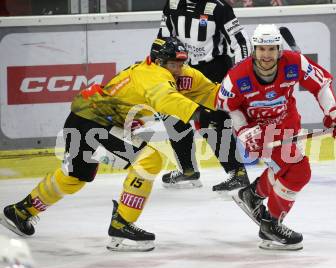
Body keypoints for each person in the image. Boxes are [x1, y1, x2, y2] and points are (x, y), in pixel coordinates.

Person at [0, 37, 220, 252]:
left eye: (182, 63)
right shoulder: (151, 74)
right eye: (173, 64)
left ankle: (19, 212)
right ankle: (121, 226)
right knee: (149, 159)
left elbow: (210, 91)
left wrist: (234, 100)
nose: (179, 69)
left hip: (88, 121)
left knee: (75, 177)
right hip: (91, 124)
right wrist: (201, 113)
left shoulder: (176, 73)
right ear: (158, 61)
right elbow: (167, 99)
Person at [217, 24, 336, 250]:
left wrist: (334, 114)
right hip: (259, 131)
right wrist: (243, 131)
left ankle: (252, 195)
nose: (266, 55)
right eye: (261, 49)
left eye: (271, 49)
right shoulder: (236, 77)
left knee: (284, 168)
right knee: (299, 171)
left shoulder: (295, 63)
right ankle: (270, 225)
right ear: (254, 49)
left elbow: (320, 86)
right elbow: (228, 107)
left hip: (287, 122)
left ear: (279, 49)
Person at [158, 0, 251, 191]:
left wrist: (242, 74)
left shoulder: (219, 7)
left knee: (212, 123)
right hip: (181, 70)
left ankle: (237, 173)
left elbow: (241, 41)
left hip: (214, 70)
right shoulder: (173, 4)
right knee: (173, 114)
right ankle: (188, 169)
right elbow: (162, 39)